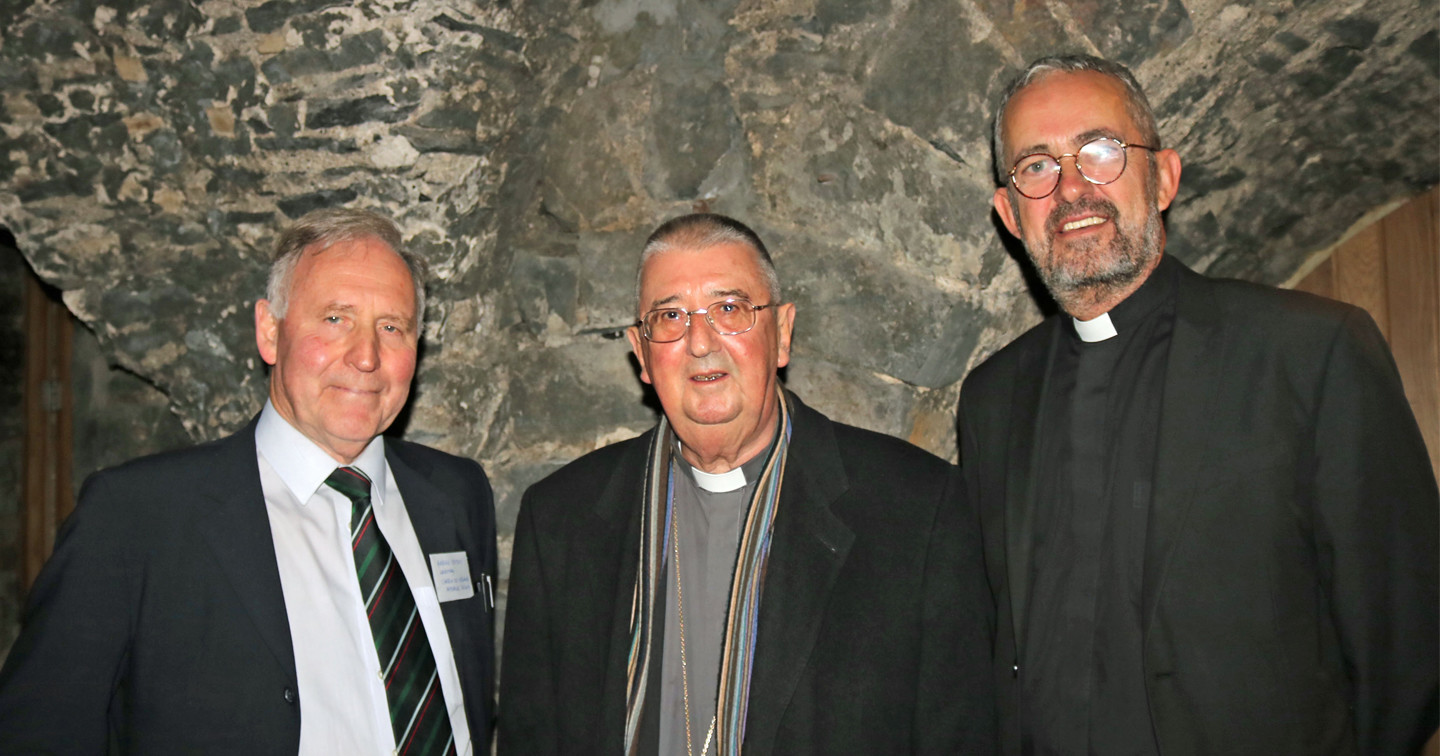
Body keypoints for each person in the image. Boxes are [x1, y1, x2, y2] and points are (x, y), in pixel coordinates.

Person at [959, 53, 1438, 755]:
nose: (1071, 187)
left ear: (1164, 178)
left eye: (1101, 150)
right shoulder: (992, 399)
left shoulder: (1308, 353)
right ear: (1009, 213)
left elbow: (1411, 640)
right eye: (1036, 166)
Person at [0, 208, 497, 755]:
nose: (366, 356)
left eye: (392, 327)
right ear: (269, 331)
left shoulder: (456, 494)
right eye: (336, 319)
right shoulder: (136, 518)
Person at [498, 213, 995, 755]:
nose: (700, 342)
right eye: (670, 317)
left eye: (729, 309)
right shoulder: (559, 520)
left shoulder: (916, 510)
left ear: (781, 334)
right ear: (641, 355)